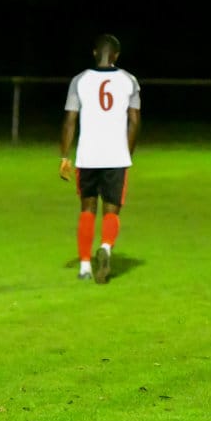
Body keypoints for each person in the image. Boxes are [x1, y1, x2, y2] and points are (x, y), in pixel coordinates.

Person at [59, 33, 141, 284]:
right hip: (116, 156)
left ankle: (85, 266)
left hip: (88, 156)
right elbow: (134, 121)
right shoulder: (129, 81)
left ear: (95, 53)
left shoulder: (80, 80)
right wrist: (127, 153)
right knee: (112, 210)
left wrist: (64, 156)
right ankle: (105, 247)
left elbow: (70, 120)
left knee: (87, 208)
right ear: (116, 55)